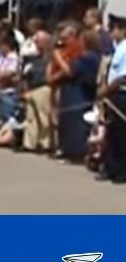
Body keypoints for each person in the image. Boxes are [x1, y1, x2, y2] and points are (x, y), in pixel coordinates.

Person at [50, 25, 100, 162]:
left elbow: (70, 71)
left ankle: (76, 152)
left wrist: (57, 57)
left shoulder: (87, 58)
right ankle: (67, 150)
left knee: (76, 124)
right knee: (66, 121)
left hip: (79, 93)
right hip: (72, 90)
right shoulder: (88, 57)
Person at [98, 14, 126, 182]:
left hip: (122, 94)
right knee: (112, 132)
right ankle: (112, 168)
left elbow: (123, 76)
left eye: (113, 29)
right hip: (113, 95)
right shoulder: (118, 48)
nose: (110, 33)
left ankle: (123, 170)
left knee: (122, 134)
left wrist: (106, 90)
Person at [21, 30, 53, 153]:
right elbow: (25, 74)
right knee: (30, 118)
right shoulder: (32, 58)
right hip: (31, 88)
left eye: (38, 41)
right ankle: (30, 143)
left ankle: (45, 143)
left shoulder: (50, 56)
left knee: (43, 118)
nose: (35, 43)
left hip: (43, 87)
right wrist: (24, 89)